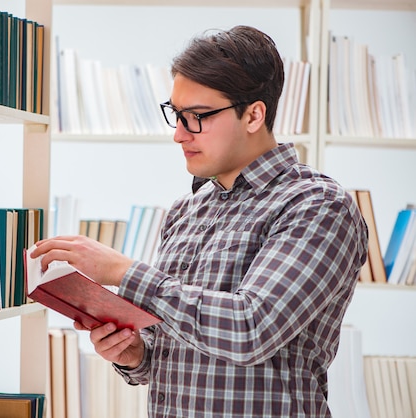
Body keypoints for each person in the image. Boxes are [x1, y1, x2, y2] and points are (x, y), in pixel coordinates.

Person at [31, 25, 368, 417]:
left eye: (197, 117)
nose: (178, 135)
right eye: (176, 115)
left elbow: (250, 329)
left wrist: (123, 272)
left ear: (254, 115)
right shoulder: (185, 212)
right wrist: (135, 353)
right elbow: (169, 355)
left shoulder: (317, 205)